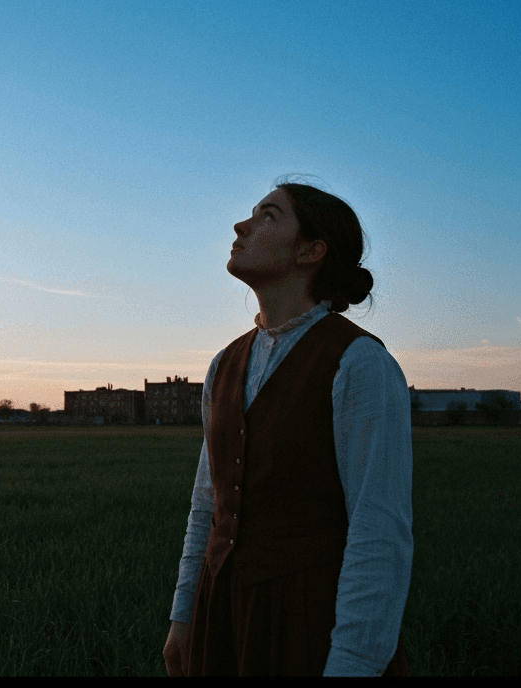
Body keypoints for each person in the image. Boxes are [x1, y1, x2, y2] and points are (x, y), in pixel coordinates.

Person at [161, 179, 413, 676]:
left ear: (310, 251)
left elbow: (378, 530)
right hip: (223, 611)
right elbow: (207, 508)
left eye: (268, 215)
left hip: (308, 621)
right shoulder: (224, 364)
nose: (241, 225)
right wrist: (183, 617)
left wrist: (354, 663)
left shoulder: (359, 363)